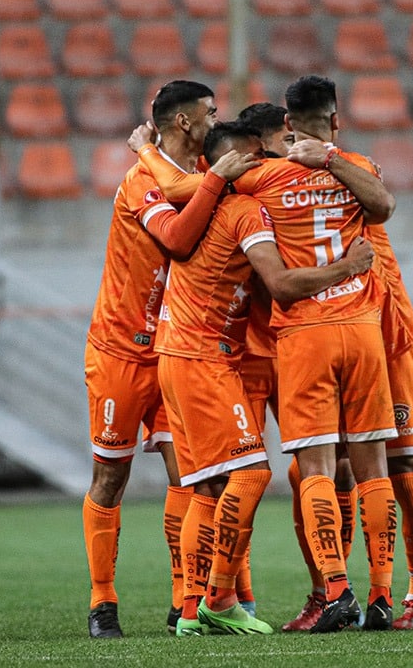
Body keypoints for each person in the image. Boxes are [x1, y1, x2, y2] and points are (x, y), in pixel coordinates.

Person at [154, 120, 377, 636]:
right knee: (253, 474)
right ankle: (220, 599)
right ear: (232, 162)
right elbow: (279, 284)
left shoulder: (199, 205)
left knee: (206, 487)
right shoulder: (244, 210)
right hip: (203, 356)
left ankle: (190, 610)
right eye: (256, 155)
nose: (267, 163)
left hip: (178, 351)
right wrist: (347, 267)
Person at [228, 75, 399, 633]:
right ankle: (383, 594)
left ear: (286, 123)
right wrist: (331, 159)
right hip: (362, 328)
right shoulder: (356, 167)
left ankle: (337, 590)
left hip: (304, 335)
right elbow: (384, 206)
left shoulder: (262, 178)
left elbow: (208, 185)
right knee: (372, 468)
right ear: (336, 119)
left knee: (317, 468)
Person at [82, 80, 250, 639]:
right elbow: (176, 237)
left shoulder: (198, 171)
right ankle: (102, 601)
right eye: (211, 113)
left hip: (175, 350)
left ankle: (185, 600)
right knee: (111, 475)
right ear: (184, 120)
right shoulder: (141, 181)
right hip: (120, 350)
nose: (215, 121)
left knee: (191, 476)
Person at [286, 136, 413, 630]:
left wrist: (333, 159)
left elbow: (382, 200)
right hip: (331, 338)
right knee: (320, 471)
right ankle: (333, 594)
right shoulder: (284, 191)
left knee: (406, 470)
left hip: (391, 344)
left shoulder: (353, 174)